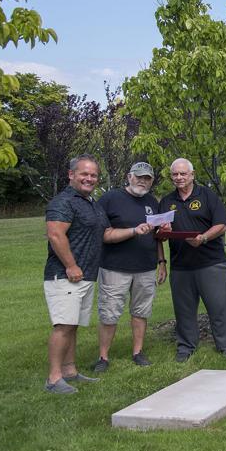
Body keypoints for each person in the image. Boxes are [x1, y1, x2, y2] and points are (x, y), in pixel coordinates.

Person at [44, 154, 151, 394]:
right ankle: (53, 378)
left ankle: (70, 371)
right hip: (65, 274)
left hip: (85, 275)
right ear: (71, 175)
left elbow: (107, 234)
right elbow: (55, 234)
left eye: (93, 175)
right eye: (84, 174)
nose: (89, 178)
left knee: (72, 326)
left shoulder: (91, 203)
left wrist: (135, 230)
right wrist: (70, 265)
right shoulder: (63, 201)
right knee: (63, 326)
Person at [92, 162, 168, 372]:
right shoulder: (110, 199)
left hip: (145, 267)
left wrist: (162, 262)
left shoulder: (152, 202)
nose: (143, 181)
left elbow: (157, 237)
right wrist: (133, 231)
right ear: (129, 177)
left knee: (141, 312)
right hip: (115, 267)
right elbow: (103, 235)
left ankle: (138, 352)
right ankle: (103, 357)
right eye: (139, 177)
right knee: (109, 314)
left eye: (147, 179)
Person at [158, 158, 226, 362]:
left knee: (219, 307)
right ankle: (185, 347)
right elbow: (159, 236)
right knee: (184, 310)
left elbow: (222, 224)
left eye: (183, 173)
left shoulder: (207, 196)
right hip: (181, 265)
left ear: (192, 175)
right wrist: (164, 232)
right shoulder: (166, 202)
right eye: (175, 174)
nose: (179, 177)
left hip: (211, 262)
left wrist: (203, 238)